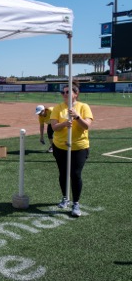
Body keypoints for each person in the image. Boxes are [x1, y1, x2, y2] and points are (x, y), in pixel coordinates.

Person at [50, 82, 93, 217]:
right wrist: (64, 123)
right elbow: (54, 127)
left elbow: (86, 126)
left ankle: (76, 203)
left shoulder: (83, 107)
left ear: (76, 94)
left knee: (75, 174)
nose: (65, 94)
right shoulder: (58, 108)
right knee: (63, 173)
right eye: (63, 92)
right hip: (60, 146)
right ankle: (65, 197)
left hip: (79, 147)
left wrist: (77, 116)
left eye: (68, 92)